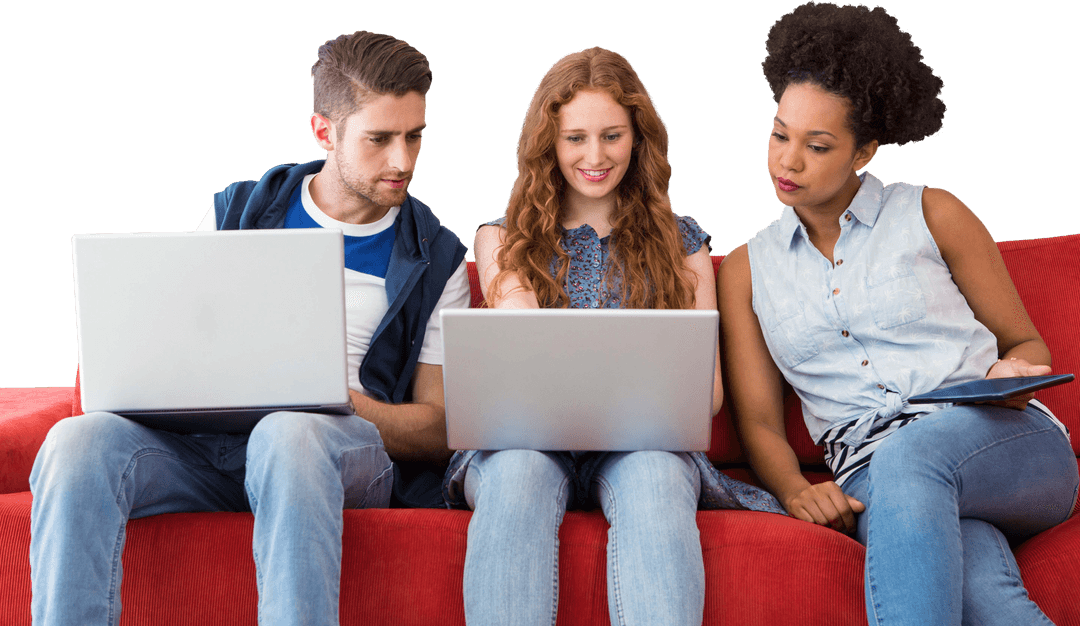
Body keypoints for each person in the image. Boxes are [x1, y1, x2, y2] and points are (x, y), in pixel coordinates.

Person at [30, 31, 470, 626]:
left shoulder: (435, 256)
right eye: (380, 139)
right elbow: (174, 340)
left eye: (414, 136)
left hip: (334, 452)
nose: (403, 161)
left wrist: (333, 402)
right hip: (210, 450)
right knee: (74, 444)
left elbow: (441, 427)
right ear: (324, 132)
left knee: (288, 433)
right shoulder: (239, 211)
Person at [717, 3, 1079, 625]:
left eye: (818, 145)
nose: (788, 161)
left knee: (914, 456)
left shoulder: (934, 213)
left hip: (1004, 446)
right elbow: (759, 422)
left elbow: (1026, 344)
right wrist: (796, 491)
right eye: (780, 134)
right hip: (870, 477)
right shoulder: (747, 269)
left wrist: (1011, 375)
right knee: (986, 595)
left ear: (865, 152)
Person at [442, 46, 785, 626]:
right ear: (547, 143)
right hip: (526, 445)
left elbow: (708, 398)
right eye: (575, 138)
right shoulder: (501, 239)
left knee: (653, 473)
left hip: (643, 446)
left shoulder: (685, 246)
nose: (595, 156)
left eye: (612, 136)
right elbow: (519, 340)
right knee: (519, 472)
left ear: (638, 138)